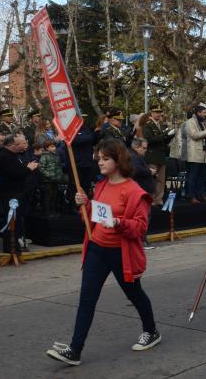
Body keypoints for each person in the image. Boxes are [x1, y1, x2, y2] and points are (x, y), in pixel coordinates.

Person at [46, 140, 159, 366]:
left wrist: (118, 222)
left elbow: (140, 228)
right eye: (99, 158)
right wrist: (85, 204)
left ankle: (151, 331)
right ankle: (75, 350)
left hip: (121, 253)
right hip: (97, 249)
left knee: (134, 294)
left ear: (118, 160)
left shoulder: (135, 192)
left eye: (105, 159)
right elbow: (94, 217)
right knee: (87, 299)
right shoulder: (101, 185)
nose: (99, 162)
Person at [0, 133, 39, 252]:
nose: (17, 147)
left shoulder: (12, 155)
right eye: (16, 144)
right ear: (10, 145)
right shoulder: (5, 156)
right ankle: (10, 246)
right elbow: (16, 174)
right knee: (11, 219)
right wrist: (28, 168)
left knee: (16, 220)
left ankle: (15, 244)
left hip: (17, 192)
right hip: (10, 193)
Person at [142, 106, 174, 206]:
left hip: (160, 155)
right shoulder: (147, 125)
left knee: (161, 179)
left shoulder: (160, 124)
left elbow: (163, 141)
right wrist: (164, 135)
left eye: (160, 112)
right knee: (151, 179)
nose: (159, 114)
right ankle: (150, 198)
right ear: (151, 113)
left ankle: (159, 199)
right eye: (156, 112)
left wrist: (169, 136)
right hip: (151, 155)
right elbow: (150, 139)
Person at [185, 105, 206, 204]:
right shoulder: (190, 122)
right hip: (195, 153)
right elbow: (194, 135)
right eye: (204, 112)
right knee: (193, 176)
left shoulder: (204, 122)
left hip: (205, 152)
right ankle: (191, 196)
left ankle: (201, 195)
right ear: (198, 113)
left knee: (203, 176)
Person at [39, 140, 67, 212]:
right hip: (47, 181)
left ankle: (52, 211)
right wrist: (50, 175)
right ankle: (47, 212)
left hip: (56, 179)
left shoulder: (55, 155)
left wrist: (59, 175)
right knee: (48, 196)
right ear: (47, 148)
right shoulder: (44, 156)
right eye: (51, 147)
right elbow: (42, 169)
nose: (54, 148)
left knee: (54, 196)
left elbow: (58, 166)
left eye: (54, 146)